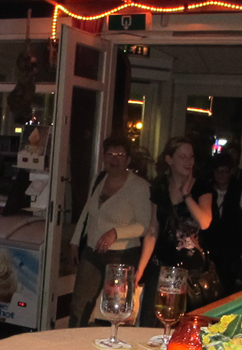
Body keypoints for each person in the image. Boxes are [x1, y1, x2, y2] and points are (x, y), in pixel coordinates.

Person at [68, 137, 152, 328]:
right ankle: (73, 341)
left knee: (116, 309)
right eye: (110, 154)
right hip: (92, 249)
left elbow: (145, 225)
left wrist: (116, 233)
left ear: (128, 159)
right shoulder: (99, 179)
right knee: (79, 305)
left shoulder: (140, 187)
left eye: (120, 155)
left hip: (122, 254)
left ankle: (112, 341)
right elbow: (88, 212)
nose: (114, 159)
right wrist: (75, 241)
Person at [136, 137, 214, 321]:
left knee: (184, 324)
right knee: (151, 320)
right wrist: (140, 270)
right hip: (161, 265)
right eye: (182, 156)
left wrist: (187, 195)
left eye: (191, 156)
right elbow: (153, 230)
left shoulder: (201, 185)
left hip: (189, 270)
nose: (188, 161)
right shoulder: (160, 186)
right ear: (169, 159)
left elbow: (204, 222)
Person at [202, 152, 242, 295]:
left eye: (224, 172)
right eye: (218, 172)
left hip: (231, 250)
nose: (221, 176)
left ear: (231, 172)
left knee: (227, 286)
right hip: (209, 247)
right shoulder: (206, 189)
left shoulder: (239, 190)